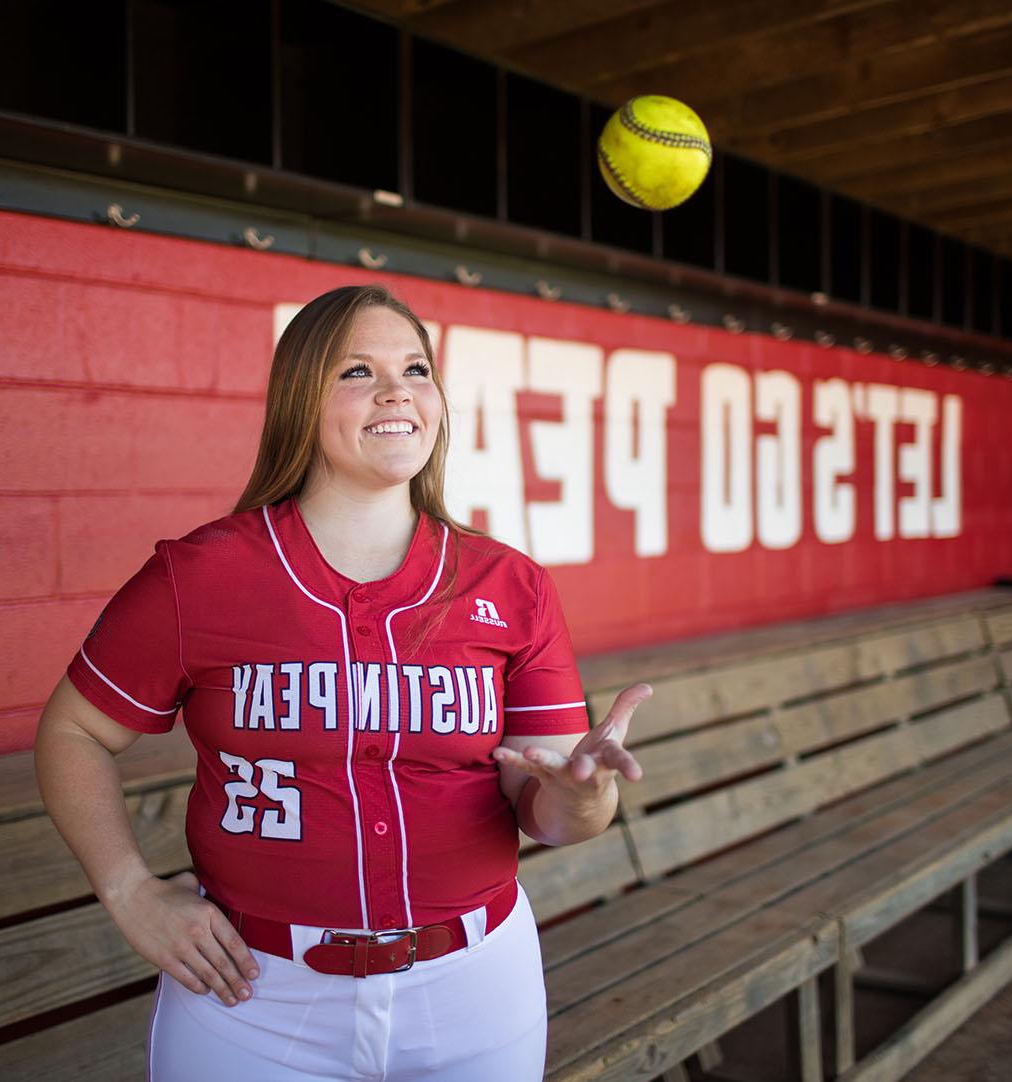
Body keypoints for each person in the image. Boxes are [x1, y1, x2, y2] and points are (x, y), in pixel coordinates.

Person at [34, 283, 650, 1082]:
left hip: (473, 984)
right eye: (357, 371)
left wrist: (583, 800)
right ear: (301, 400)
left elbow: (554, 809)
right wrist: (127, 890)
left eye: (416, 368)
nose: (397, 389)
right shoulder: (202, 575)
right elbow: (73, 732)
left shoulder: (510, 583)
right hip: (254, 996)